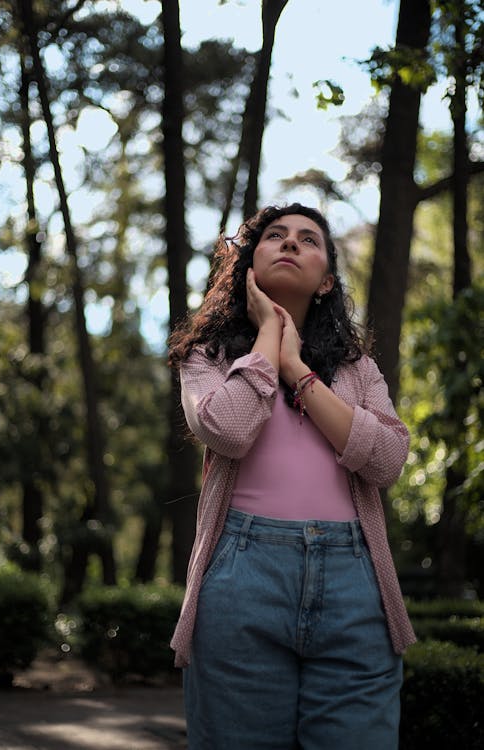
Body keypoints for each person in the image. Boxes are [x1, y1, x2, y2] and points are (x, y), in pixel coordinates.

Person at [168, 203, 416, 750]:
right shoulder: (205, 359)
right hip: (241, 579)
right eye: (275, 236)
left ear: (326, 280)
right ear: (249, 264)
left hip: (356, 581)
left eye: (308, 239)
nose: (289, 243)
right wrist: (267, 338)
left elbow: (387, 461)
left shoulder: (358, 370)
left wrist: (296, 372)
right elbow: (229, 429)